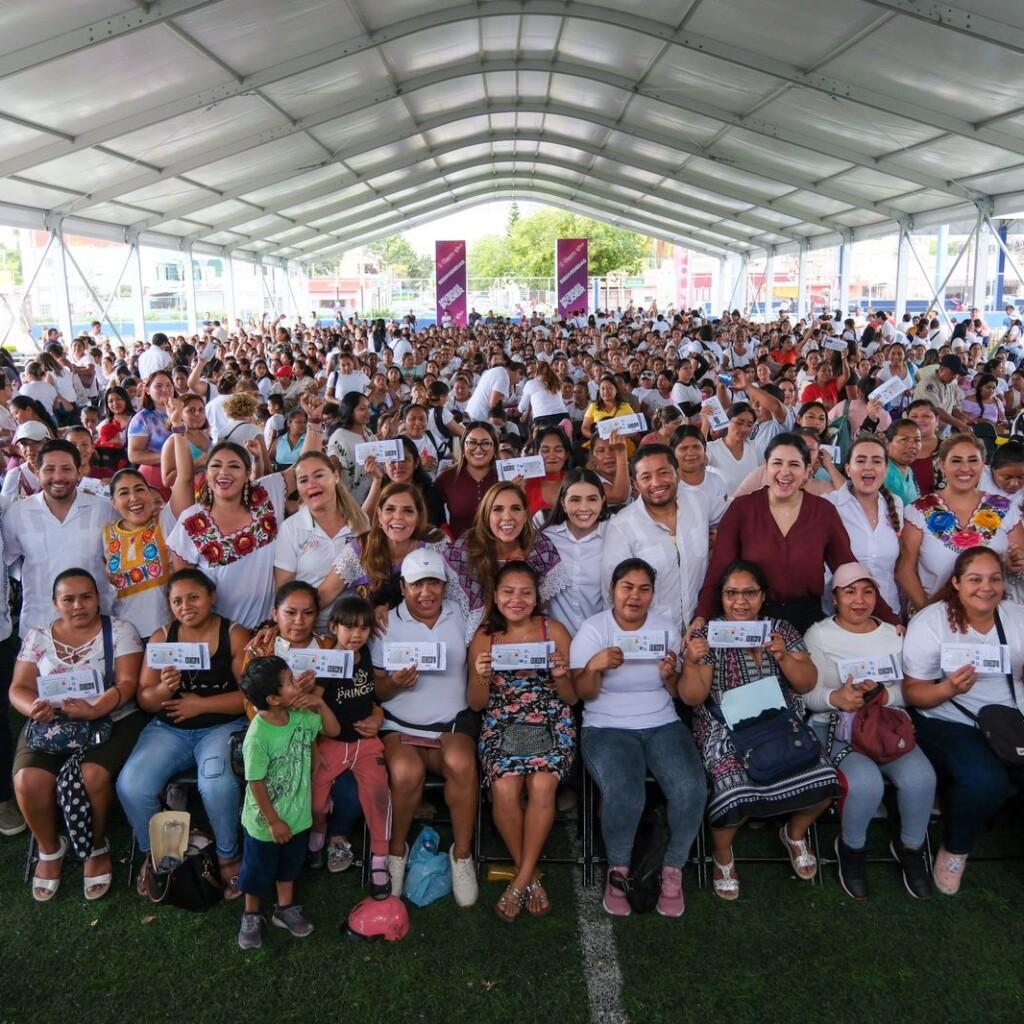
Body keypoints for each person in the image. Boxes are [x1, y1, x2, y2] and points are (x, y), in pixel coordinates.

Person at [681, 560, 838, 898]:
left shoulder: (780, 629)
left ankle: (795, 833)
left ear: (762, 595)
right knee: (730, 785)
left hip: (779, 721)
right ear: (721, 598)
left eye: (749, 593)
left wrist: (783, 656)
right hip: (725, 724)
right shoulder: (708, 634)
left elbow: (806, 683)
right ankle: (722, 854)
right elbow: (693, 697)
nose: (740, 602)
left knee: (825, 779)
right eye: (731, 594)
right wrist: (693, 661)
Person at [571, 558, 706, 918]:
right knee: (627, 792)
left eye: (644, 589)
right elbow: (581, 693)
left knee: (691, 787)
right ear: (612, 590)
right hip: (606, 725)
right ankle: (619, 871)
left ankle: (672, 869)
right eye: (627, 587)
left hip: (661, 721)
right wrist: (594, 666)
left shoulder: (664, 628)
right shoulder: (592, 629)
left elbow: (678, 692)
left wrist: (668, 677)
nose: (635, 596)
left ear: (652, 594)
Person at [10, 569, 143, 901]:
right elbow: (19, 688)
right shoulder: (38, 636)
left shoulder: (121, 631)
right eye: (68, 599)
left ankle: (96, 846)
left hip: (110, 718)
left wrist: (96, 708)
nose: (78, 605)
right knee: (27, 780)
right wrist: (33, 708)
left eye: (86, 597)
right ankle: (50, 848)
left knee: (91, 776)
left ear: (98, 597)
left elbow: (127, 684)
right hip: (49, 722)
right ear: (55, 603)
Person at [805, 563, 935, 900]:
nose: (859, 600)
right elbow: (806, 694)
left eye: (868, 591)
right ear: (834, 598)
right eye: (849, 592)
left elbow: (910, 690)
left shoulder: (894, 634)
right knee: (865, 783)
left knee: (922, 778)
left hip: (885, 726)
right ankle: (851, 848)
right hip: (835, 726)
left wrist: (883, 694)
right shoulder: (819, 635)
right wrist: (838, 698)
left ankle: (910, 847)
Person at [117, 569, 250, 896]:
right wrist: (163, 689)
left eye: (194, 597)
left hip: (221, 726)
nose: (186, 606)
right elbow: (146, 699)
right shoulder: (163, 637)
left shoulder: (233, 635)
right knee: (131, 785)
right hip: (168, 729)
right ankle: (161, 857)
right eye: (177, 601)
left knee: (216, 785)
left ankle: (227, 857)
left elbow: (250, 698)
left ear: (211, 597)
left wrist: (200, 705)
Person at [901, 546, 1024, 895]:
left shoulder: (1016, 617)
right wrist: (948, 689)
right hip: (947, 717)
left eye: (994, 579)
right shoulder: (933, 621)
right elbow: (914, 693)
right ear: (955, 582)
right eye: (975, 579)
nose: (986, 588)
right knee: (986, 781)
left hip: (1010, 718)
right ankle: (955, 849)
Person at [695, 433, 894, 634]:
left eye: (794, 465)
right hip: (751, 622)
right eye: (777, 463)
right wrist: (702, 616)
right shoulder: (742, 509)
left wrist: (891, 620)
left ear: (808, 470)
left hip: (807, 623)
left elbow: (850, 570)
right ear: (766, 467)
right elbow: (719, 569)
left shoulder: (823, 512)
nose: (785, 472)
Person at [370, 548, 479, 907]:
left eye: (434, 583)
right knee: (405, 772)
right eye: (418, 584)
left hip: (450, 723)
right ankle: (396, 852)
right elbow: (377, 687)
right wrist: (396, 684)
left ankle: (462, 855)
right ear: (403, 587)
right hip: (399, 726)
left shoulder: (461, 615)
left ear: (445, 586)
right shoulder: (384, 624)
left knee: (462, 765)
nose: (426, 592)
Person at [468, 562, 576, 920]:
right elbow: (476, 704)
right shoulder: (485, 637)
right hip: (503, 720)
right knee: (504, 788)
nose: (517, 599)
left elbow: (573, 698)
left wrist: (561, 676)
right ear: (496, 597)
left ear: (537, 596)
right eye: (508, 592)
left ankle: (521, 880)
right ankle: (530, 876)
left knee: (543, 786)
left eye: (526, 592)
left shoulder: (554, 630)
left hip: (550, 718)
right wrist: (482, 677)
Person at [166, 425, 319, 629]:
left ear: (247, 472)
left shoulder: (267, 492)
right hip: (219, 636)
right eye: (216, 466)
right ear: (206, 473)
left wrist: (315, 423)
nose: (224, 473)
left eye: (234, 466)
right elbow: (184, 587)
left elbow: (305, 467)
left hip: (268, 628)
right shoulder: (191, 521)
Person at [237, 655, 341, 949]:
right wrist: (273, 821)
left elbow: (331, 731)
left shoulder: (300, 716)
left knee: (289, 866)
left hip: (297, 816)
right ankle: (251, 913)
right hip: (265, 824)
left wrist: (318, 703)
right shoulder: (257, 736)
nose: (298, 684)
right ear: (273, 699)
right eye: (290, 682)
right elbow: (255, 782)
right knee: (257, 870)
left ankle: (284, 909)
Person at [309, 594, 392, 896]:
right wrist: (315, 748)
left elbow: (374, 696)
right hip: (331, 743)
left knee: (378, 795)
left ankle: (380, 858)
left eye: (363, 628)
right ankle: (319, 834)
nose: (355, 634)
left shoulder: (369, 656)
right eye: (348, 627)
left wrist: (377, 715)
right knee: (316, 803)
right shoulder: (329, 660)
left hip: (365, 743)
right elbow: (313, 702)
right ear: (333, 627)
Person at [896, 433, 1024, 610]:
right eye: (956, 461)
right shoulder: (919, 511)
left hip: (995, 619)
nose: (965, 468)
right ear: (942, 465)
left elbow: (1019, 562)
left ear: (983, 465)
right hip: (937, 623)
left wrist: (1015, 567)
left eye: (973, 460)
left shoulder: (1006, 510)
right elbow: (905, 570)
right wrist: (929, 614)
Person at [601, 444, 714, 636]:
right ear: (635, 484)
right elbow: (612, 593)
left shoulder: (699, 501)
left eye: (664, 472)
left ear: (677, 472)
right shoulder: (622, 526)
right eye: (646, 477)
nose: (657, 482)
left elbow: (739, 511)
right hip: (651, 637)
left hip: (699, 631)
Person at [4, 439, 113, 637]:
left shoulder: (104, 509)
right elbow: (6, 561)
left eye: (66, 469)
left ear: (78, 472)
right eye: (50, 469)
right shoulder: (17, 513)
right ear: (37, 472)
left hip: (95, 626)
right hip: (38, 627)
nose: (58, 477)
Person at [444, 481, 569, 639]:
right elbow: (452, 606)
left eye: (515, 509)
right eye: (498, 509)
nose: (507, 517)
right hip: (475, 638)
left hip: (528, 636)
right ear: (486, 515)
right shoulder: (466, 549)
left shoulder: (540, 546)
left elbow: (541, 605)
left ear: (525, 515)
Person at [273, 451, 369, 632]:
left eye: (318, 475)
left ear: (336, 476)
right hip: (308, 633)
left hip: (355, 632)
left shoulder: (360, 521)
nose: (312, 484)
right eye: (303, 480)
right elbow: (284, 592)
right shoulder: (290, 528)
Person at [319, 480, 447, 610]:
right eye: (390, 509)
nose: (398, 517)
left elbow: (454, 596)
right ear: (379, 516)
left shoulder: (436, 545)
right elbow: (324, 595)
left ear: (419, 518)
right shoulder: (361, 548)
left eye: (408, 511)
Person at [824, 434, 903, 614]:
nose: (868, 467)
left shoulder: (896, 504)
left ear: (886, 469)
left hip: (888, 613)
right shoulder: (829, 505)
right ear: (848, 469)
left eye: (876, 461)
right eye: (860, 460)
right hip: (840, 615)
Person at [542, 469, 610, 634]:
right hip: (558, 640)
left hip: (603, 638)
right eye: (575, 500)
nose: (584, 507)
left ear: (602, 501)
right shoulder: (546, 538)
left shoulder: (615, 532)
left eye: (592, 499)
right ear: (563, 504)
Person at [434, 421, 499, 538]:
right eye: (472, 443)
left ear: (495, 448)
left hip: (500, 549)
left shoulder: (505, 478)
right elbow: (434, 518)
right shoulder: (447, 478)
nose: (478, 449)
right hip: (459, 551)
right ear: (463, 447)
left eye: (486, 443)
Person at [127, 370, 175, 498]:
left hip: (183, 474)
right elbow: (134, 455)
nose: (165, 389)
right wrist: (170, 457)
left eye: (169, 385)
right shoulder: (142, 419)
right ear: (147, 390)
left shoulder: (182, 412)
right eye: (158, 386)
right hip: (155, 479)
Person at [326, 391, 377, 502]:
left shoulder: (367, 431)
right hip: (350, 500)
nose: (368, 412)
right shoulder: (339, 436)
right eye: (362, 409)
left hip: (372, 494)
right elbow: (334, 467)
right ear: (350, 411)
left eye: (368, 408)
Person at [705, 402, 761, 496]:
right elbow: (698, 461)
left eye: (749, 425)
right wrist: (705, 424)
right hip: (723, 509)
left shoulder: (754, 447)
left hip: (750, 507)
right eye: (739, 423)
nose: (744, 428)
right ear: (727, 421)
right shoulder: (712, 448)